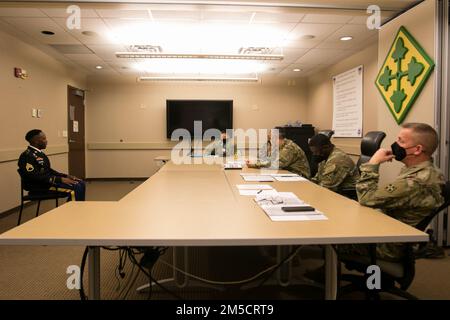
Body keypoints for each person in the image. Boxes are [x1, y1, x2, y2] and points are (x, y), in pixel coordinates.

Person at [338, 122, 445, 261]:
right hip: (390, 230)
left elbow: (366, 198)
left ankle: (329, 279)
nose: (395, 144)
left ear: (417, 149)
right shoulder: (426, 170)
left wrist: (373, 163)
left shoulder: (415, 181)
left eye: (401, 141)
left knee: (333, 236)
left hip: (388, 245)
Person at [18, 129, 86, 201]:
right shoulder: (27, 156)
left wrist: (65, 176)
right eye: (44, 139)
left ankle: (79, 208)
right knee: (76, 187)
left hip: (47, 182)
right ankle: (72, 211)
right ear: (36, 141)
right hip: (40, 186)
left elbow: (48, 170)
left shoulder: (39, 153)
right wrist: (59, 179)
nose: (46, 141)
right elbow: (34, 176)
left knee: (81, 183)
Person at [246, 129, 310, 178]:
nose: (269, 140)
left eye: (269, 138)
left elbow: (276, 164)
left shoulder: (289, 147)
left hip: (299, 176)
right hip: (286, 174)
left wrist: (255, 165)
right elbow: (263, 157)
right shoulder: (278, 146)